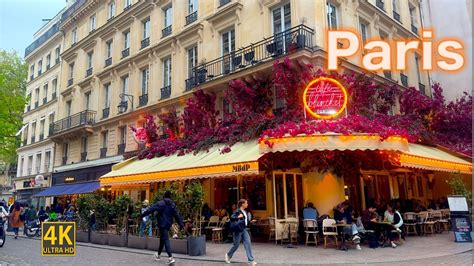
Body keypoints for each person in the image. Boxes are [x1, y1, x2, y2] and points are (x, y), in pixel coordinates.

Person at [141, 191, 184, 265]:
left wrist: (142, 215)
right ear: (170, 196)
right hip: (168, 224)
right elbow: (177, 215)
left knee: (165, 239)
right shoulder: (172, 205)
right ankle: (158, 255)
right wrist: (181, 224)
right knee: (162, 239)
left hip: (162, 224)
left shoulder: (160, 203)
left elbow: (151, 209)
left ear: (164, 196)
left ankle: (170, 258)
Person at [225, 199, 257, 265]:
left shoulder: (245, 211)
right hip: (238, 230)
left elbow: (244, 221)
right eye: (246, 203)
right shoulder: (237, 211)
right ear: (242, 204)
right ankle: (228, 255)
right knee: (236, 245)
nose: (247, 204)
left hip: (244, 229)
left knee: (248, 243)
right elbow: (232, 218)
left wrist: (250, 222)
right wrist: (238, 217)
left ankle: (251, 260)